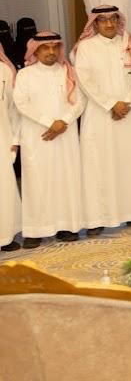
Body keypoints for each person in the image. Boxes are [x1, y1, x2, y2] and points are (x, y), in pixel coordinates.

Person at [73, 5, 131, 234]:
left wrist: (128, 102)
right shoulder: (86, 47)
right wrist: (111, 104)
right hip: (99, 116)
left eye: (113, 19)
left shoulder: (129, 43)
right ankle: (98, 219)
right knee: (99, 166)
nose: (109, 24)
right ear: (95, 23)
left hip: (129, 113)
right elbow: (84, 80)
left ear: (119, 20)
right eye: (103, 20)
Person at [13, 32, 85, 247]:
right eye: (45, 48)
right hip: (37, 136)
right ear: (35, 50)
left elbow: (80, 101)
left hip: (65, 134)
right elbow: (21, 103)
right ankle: (35, 231)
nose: (51, 51)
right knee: (37, 181)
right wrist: (49, 123)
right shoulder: (24, 74)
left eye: (55, 47)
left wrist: (63, 121)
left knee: (66, 179)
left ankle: (66, 226)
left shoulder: (68, 72)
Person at [0, 49, 20, 251]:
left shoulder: (4, 70)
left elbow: (13, 108)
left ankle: (5, 237)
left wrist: (15, 138)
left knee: (3, 187)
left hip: (2, 137)